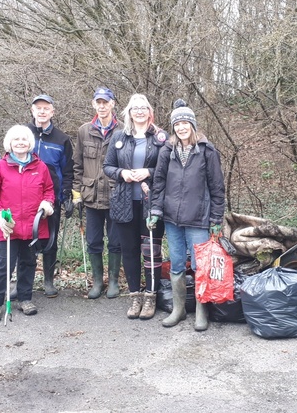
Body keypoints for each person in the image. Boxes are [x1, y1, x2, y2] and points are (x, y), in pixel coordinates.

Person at [148, 100, 226, 331]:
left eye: (185, 123)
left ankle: (202, 313)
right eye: (177, 124)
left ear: (192, 125)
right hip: (172, 219)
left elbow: (217, 187)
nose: (181, 127)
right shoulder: (167, 151)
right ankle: (179, 309)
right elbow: (158, 183)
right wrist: (155, 210)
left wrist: (216, 220)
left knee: (201, 267)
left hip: (198, 220)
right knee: (177, 264)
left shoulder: (207, 151)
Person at [103, 94, 168, 320]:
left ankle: (151, 296)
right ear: (129, 112)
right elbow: (108, 167)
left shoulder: (160, 138)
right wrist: (123, 173)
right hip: (124, 202)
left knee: (151, 251)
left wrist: (148, 172)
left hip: (152, 203)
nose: (139, 111)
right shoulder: (119, 137)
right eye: (135, 108)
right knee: (129, 251)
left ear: (150, 111)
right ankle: (135, 295)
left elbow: (168, 168)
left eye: (143, 108)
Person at [0, 125, 55, 322]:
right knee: (4, 266)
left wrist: (47, 203)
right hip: (9, 225)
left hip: (33, 226)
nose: (20, 143)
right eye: (16, 140)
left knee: (28, 263)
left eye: (24, 139)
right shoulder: (0, 166)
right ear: (10, 143)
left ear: (30, 143)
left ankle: (25, 298)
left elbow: (49, 190)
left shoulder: (40, 167)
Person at [72, 87, 123, 299]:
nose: (102, 106)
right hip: (90, 197)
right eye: (98, 102)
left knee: (115, 241)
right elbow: (77, 165)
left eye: (106, 102)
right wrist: (76, 194)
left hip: (115, 195)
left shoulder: (123, 129)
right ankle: (96, 282)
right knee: (93, 241)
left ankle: (113, 282)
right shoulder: (84, 130)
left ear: (112, 104)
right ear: (94, 104)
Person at [27, 94, 74, 298]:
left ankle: (48, 281)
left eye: (46, 108)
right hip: (25, 198)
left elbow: (69, 170)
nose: (42, 111)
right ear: (32, 110)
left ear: (52, 112)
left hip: (51, 199)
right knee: (25, 240)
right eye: (38, 108)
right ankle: (24, 280)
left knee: (50, 241)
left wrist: (66, 196)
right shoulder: (22, 134)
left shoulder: (62, 139)